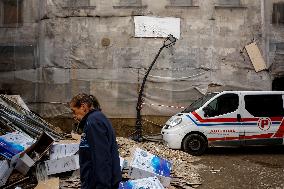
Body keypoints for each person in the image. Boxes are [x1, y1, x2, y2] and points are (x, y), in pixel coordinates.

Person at [69, 93, 122, 189]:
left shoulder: (94, 122)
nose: (73, 115)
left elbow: (101, 157)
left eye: (74, 111)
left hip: (97, 183)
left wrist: (102, 185)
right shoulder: (95, 119)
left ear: (83, 107)